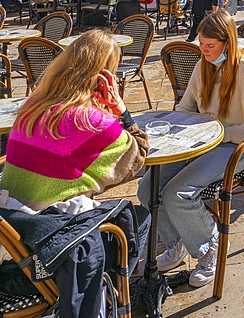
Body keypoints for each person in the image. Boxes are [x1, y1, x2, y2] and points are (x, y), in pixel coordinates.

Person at [138, 10, 244, 288]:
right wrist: (179, 128)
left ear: (227, 43)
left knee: (177, 194)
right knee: (147, 187)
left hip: (235, 147)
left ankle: (210, 247)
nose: (204, 50)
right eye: (201, 44)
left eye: (210, 46)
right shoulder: (203, 65)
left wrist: (223, 135)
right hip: (202, 143)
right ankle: (177, 244)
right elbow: (186, 107)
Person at [1, 28, 149, 208]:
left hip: (9, 218)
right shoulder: (91, 122)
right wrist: (121, 110)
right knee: (141, 218)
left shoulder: (33, 105)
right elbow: (137, 155)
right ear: (106, 77)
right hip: (47, 227)